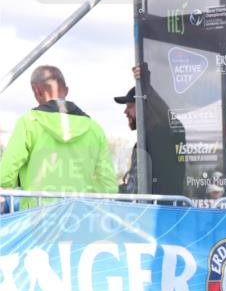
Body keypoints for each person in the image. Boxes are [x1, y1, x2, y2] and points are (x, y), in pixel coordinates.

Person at [0, 65, 116, 207]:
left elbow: (5, 177)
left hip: (37, 215)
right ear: (66, 91)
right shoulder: (94, 128)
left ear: (36, 90)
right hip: (80, 215)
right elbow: (109, 185)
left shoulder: (29, 122)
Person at [118, 64, 186, 195]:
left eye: (130, 106)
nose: (125, 112)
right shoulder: (142, 142)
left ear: (144, 107)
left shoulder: (164, 133)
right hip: (145, 207)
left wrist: (146, 85)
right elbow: (135, 186)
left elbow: (170, 121)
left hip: (163, 207)